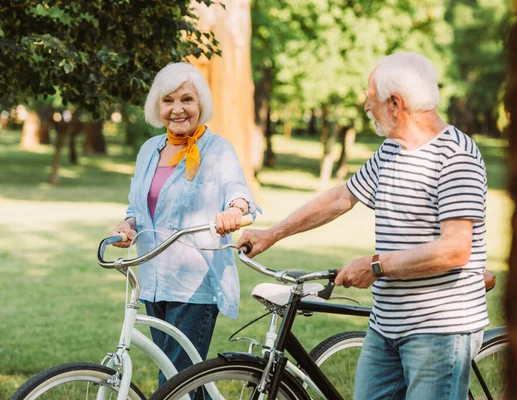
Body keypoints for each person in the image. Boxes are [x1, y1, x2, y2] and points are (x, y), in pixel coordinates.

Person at [237, 52, 488, 400]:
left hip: (438, 331)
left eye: (371, 101)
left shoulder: (455, 156)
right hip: (385, 325)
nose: (367, 108)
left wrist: (376, 265)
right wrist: (272, 234)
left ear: (395, 104)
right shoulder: (391, 151)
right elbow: (342, 198)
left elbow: (455, 249)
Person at [111, 62, 258, 393]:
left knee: (174, 383)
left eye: (186, 99)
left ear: (200, 104)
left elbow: (240, 193)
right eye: (168, 101)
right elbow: (138, 206)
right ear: (157, 106)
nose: (177, 109)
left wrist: (234, 210)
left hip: (195, 284)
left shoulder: (216, 149)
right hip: (151, 281)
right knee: (185, 380)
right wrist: (128, 223)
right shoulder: (150, 149)